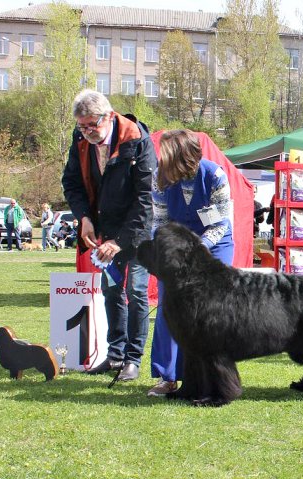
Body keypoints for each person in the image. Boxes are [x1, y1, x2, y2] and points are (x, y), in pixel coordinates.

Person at [61, 88, 156, 382]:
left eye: (92, 125)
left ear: (109, 115)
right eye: (81, 126)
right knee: (111, 290)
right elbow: (72, 183)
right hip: (103, 228)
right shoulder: (80, 142)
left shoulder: (137, 139)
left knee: (136, 292)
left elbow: (145, 199)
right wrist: (84, 218)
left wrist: (119, 242)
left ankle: (133, 358)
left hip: (137, 231)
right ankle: (114, 355)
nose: (87, 131)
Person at [147, 129, 235, 397]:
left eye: (166, 156)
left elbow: (220, 223)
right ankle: (168, 377)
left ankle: (207, 375)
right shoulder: (159, 179)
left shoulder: (215, 176)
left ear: (184, 157)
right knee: (169, 310)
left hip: (214, 245)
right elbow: (159, 222)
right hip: (176, 248)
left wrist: (197, 250)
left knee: (206, 313)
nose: (161, 161)